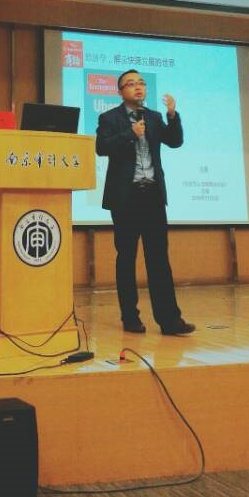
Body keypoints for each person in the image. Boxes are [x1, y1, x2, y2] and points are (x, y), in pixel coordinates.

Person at [96, 69, 195, 336]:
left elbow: (174, 141)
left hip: (152, 195)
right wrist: (130, 133)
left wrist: (172, 116)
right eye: (131, 84)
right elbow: (101, 147)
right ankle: (130, 317)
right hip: (125, 198)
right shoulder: (110, 118)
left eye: (141, 83)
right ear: (120, 92)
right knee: (126, 258)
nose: (138, 87)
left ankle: (170, 320)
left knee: (159, 260)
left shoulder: (153, 117)